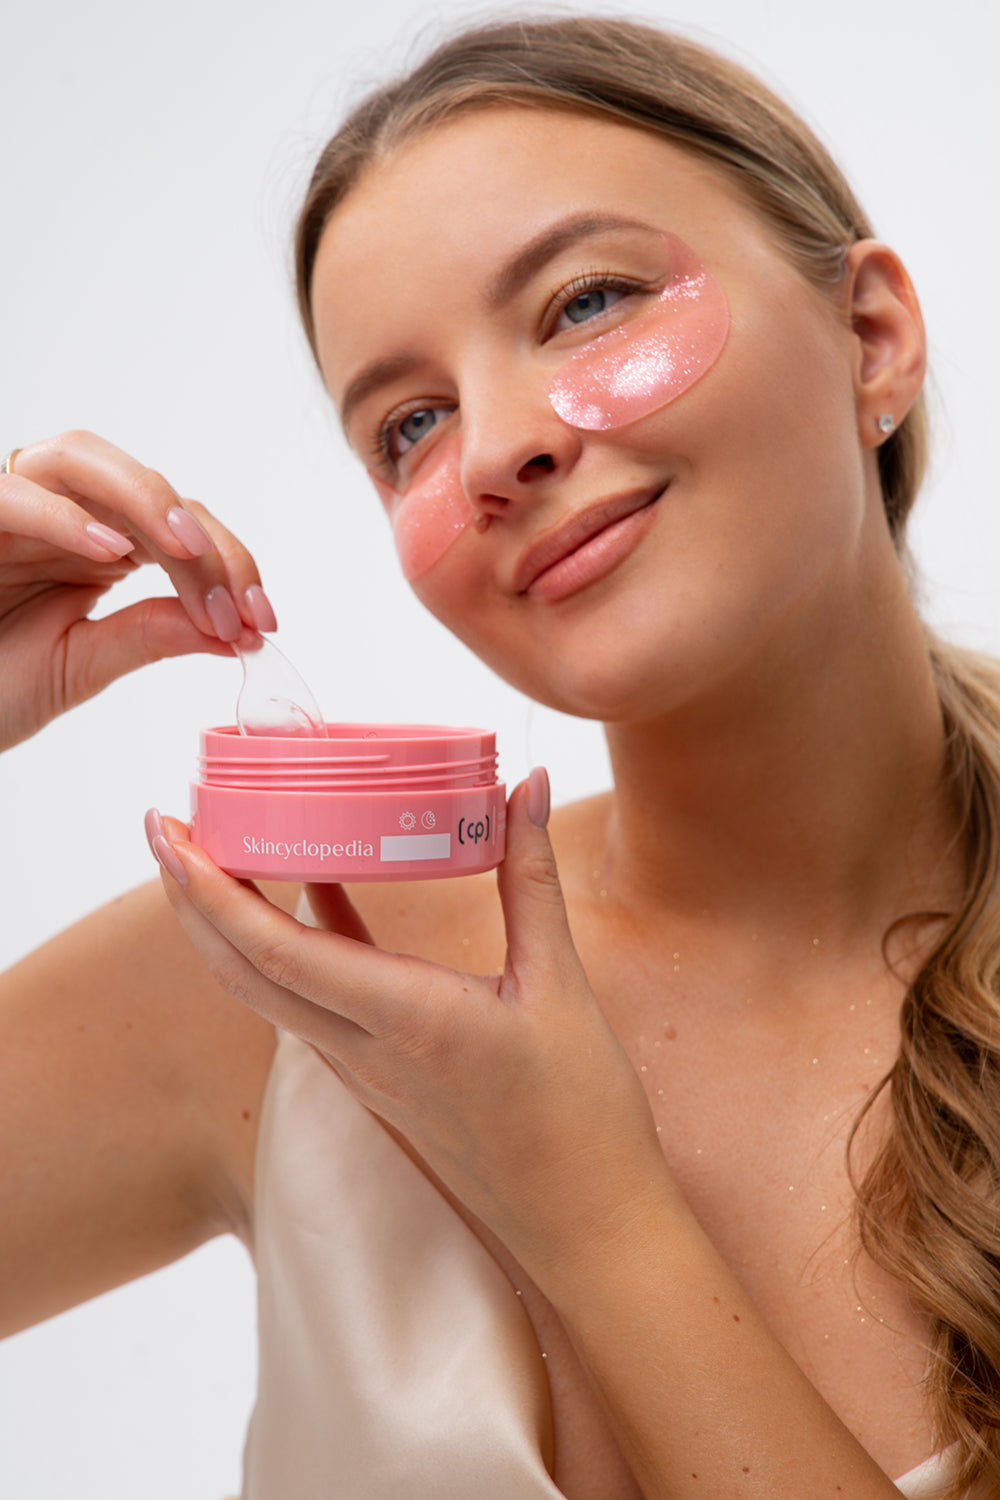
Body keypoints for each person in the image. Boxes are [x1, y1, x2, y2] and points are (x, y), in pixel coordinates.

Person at [0, 15, 995, 1498]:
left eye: (587, 302)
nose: (493, 451)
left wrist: (585, 1201)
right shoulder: (287, 967)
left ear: (872, 337)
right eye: (410, 424)